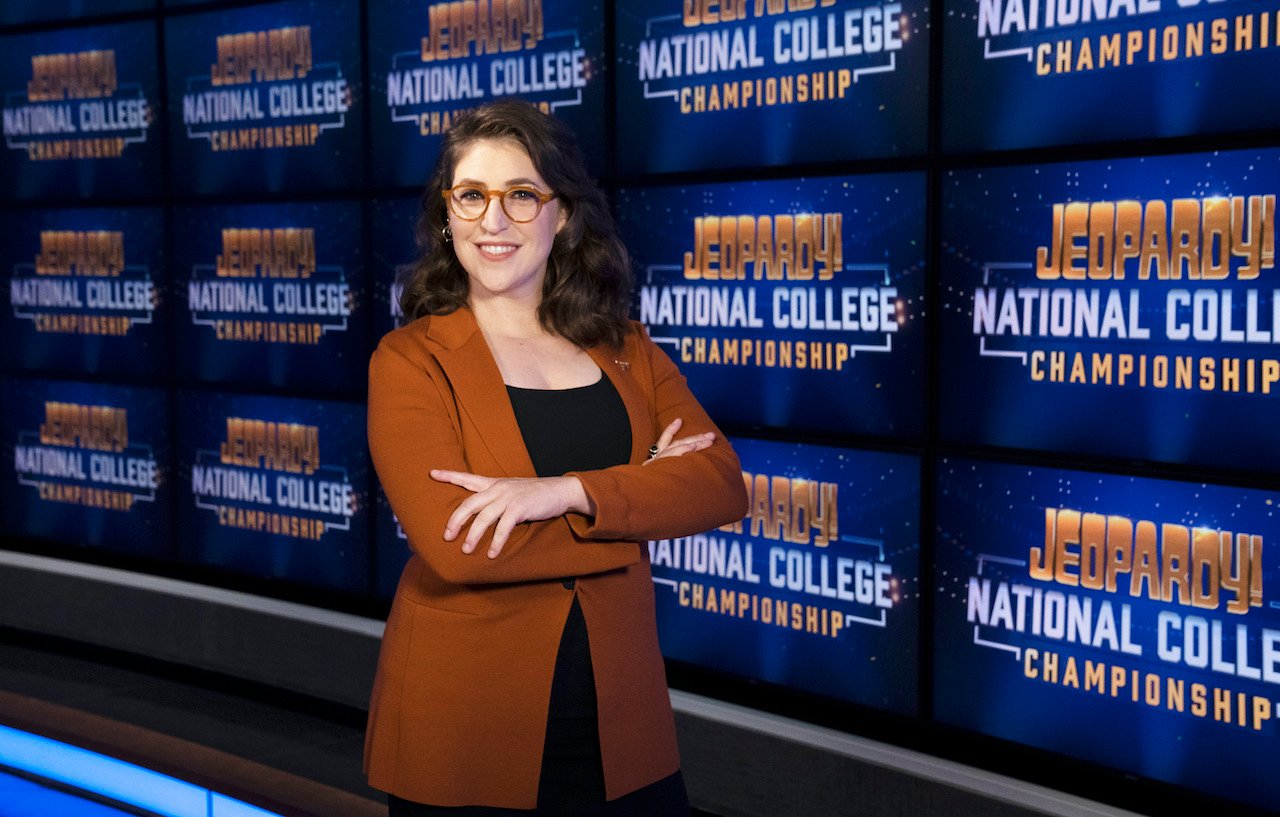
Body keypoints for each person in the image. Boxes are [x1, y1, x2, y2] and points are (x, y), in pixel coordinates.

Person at [364, 99, 748, 816]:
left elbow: (721, 484)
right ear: (447, 216)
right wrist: (633, 506)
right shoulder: (409, 360)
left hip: (622, 726)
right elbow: (462, 548)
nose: (494, 220)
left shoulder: (626, 348)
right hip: (465, 733)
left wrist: (564, 492)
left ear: (563, 214)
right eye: (472, 196)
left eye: (521, 195)